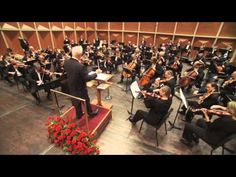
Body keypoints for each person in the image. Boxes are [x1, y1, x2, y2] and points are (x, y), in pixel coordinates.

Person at [64, 46, 99, 119]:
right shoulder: (80, 66)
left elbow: (74, 72)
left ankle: (79, 114)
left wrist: (82, 63)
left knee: (76, 101)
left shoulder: (67, 62)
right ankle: (90, 113)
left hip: (72, 86)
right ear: (80, 55)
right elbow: (87, 78)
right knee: (86, 100)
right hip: (80, 88)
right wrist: (96, 73)